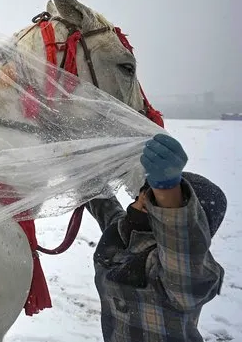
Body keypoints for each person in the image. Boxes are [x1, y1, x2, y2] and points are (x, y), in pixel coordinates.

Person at [86, 133, 227, 342]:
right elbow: (98, 196)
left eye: (155, 199)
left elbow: (179, 240)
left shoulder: (189, 274)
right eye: (147, 191)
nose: (144, 196)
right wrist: (75, 162)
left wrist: (168, 189)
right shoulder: (124, 231)